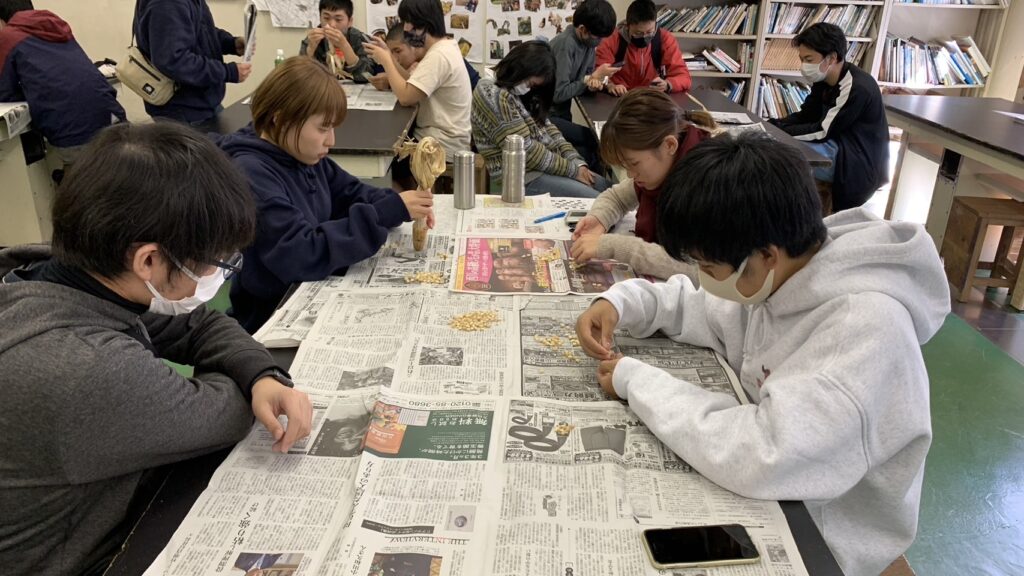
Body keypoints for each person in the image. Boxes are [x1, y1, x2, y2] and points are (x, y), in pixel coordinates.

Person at [574, 133, 950, 576]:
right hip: (781, 486)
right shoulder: (786, 271)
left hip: (825, 532)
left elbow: (763, 452)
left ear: (766, 257)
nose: (705, 278)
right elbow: (705, 305)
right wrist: (621, 303)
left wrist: (636, 380)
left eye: (710, 268)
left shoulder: (863, 330)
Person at [0, 122, 313, 575]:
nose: (215, 277)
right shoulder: (84, 367)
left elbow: (195, 323)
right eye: (211, 262)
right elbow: (221, 414)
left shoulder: (64, 272)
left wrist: (261, 374)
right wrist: (249, 381)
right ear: (147, 260)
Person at [219, 57, 433, 333]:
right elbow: (301, 252)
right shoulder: (252, 174)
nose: (331, 141)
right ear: (281, 119)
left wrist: (398, 204)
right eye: (323, 128)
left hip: (308, 291)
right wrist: (381, 214)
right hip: (269, 316)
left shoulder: (302, 155)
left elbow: (351, 192)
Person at [570, 89, 714, 279]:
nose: (630, 174)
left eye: (634, 164)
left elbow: (705, 272)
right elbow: (617, 197)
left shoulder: (707, 184)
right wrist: (599, 219)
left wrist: (617, 247)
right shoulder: (664, 168)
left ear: (669, 145)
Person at [767, 23, 889, 212]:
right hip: (835, 146)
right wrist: (775, 124)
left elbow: (823, 131)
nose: (804, 67)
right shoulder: (823, 79)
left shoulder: (857, 87)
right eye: (802, 59)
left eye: (808, 59)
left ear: (831, 58)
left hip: (854, 162)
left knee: (776, 154)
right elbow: (806, 116)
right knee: (774, 148)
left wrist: (777, 133)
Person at [472, 41, 609, 198]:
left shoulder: (515, 90)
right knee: (598, 201)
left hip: (543, 167)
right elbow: (527, 151)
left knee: (609, 190)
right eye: (530, 84)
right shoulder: (492, 94)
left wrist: (577, 161)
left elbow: (548, 127)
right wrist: (572, 170)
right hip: (521, 176)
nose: (529, 89)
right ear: (519, 68)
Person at [0, 0, 125, 167]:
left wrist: (30, 91)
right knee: (127, 179)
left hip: (74, 130)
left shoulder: (9, 36)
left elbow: (4, 92)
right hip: (111, 114)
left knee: (87, 187)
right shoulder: (55, 25)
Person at [364, 0, 471, 160]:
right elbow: (413, 82)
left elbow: (406, 97)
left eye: (409, 23)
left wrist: (386, 60)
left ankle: (407, 185)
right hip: (443, 138)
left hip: (440, 144)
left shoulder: (438, 56)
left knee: (388, 162)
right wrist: (389, 55)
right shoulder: (444, 47)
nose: (405, 28)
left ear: (424, 25)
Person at [133, 0, 252, 124]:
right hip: (183, 111)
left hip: (200, 103)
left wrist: (231, 43)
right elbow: (174, 60)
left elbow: (199, 30)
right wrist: (228, 72)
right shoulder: (167, 4)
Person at [548, 0, 617, 170]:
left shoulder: (587, 44)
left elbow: (585, 77)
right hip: (545, 116)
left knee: (593, 144)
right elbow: (558, 93)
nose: (599, 42)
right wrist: (589, 79)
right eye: (598, 37)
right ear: (583, 29)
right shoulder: (565, 44)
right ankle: (595, 188)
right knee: (593, 141)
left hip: (561, 114)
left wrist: (593, 82)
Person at [595, 0, 691, 96]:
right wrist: (611, 85)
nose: (644, 37)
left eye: (649, 32)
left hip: (652, 96)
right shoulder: (611, 39)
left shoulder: (665, 39)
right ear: (627, 26)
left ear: (655, 24)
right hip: (620, 97)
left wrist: (668, 84)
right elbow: (598, 73)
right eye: (638, 33)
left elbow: (683, 77)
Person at [368, 23, 479, 92]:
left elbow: (406, 98)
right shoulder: (421, 58)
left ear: (413, 44)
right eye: (391, 52)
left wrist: (388, 65)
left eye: (397, 51)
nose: (395, 58)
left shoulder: (434, 57)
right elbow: (411, 81)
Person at [300, 0, 375, 82]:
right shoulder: (313, 39)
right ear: (320, 18)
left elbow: (368, 77)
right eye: (326, 18)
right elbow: (300, 77)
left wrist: (345, 46)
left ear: (350, 22)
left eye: (338, 19)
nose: (331, 24)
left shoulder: (361, 39)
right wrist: (310, 50)